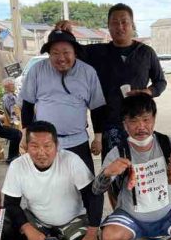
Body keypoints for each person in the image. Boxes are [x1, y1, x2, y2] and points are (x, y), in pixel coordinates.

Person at [92, 94, 171, 240]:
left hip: (166, 215)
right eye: (133, 121)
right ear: (125, 124)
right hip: (131, 217)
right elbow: (96, 190)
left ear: (154, 119)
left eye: (146, 120)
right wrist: (107, 173)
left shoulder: (167, 143)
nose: (141, 126)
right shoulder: (118, 152)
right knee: (109, 237)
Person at [57, 3, 167, 160]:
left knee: (140, 169)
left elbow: (160, 82)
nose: (120, 27)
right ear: (108, 27)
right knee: (112, 170)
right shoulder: (97, 52)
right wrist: (65, 32)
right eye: (114, 23)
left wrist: (148, 92)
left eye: (124, 22)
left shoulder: (145, 52)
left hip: (138, 121)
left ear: (132, 25)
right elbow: (71, 50)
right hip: (110, 124)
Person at [1, 121, 103, 240]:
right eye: (34, 146)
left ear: (57, 146)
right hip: (37, 219)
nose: (41, 152)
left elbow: (93, 197)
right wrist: (28, 229)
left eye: (47, 146)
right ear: (27, 146)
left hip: (72, 220)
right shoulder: (17, 165)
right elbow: (10, 204)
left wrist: (92, 234)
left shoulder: (71, 160)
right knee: (2, 227)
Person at [20, 30, 106, 173]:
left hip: (78, 142)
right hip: (45, 143)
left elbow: (97, 108)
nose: (61, 58)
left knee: (87, 190)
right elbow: (27, 105)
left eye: (66, 52)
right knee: (47, 188)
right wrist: (25, 135)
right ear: (49, 54)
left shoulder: (88, 72)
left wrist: (98, 138)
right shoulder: (37, 70)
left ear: (75, 53)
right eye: (55, 53)